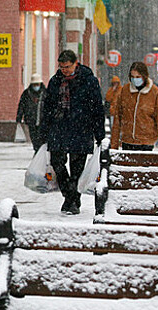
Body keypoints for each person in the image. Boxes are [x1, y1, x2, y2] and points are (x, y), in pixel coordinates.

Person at [40, 49, 105, 215]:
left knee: (77, 168)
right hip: (59, 128)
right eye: (62, 67)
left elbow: (97, 107)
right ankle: (70, 197)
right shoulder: (55, 81)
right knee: (57, 163)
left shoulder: (88, 81)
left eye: (67, 67)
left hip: (81, 128)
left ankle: (72, 201)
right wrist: (44, 130)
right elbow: (47, 107)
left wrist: (99, 132)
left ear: (76, 63)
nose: (64, 70)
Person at [110, 62, 158, 151]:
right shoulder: (125, 91)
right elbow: (117, 119)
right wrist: (114, 145)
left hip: (146, 142)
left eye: (138, 77)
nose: (135, 79)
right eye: (132, 77)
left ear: (144, 76)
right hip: (127, 141)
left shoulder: (154, 92)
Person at [16, 73, 46, 152]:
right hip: (31, 121)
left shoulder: (45, 93)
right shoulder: (26, 94)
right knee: (34, 139)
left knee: (42, 140)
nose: (36, 86)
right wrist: (19, 117)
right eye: (35, 84)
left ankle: (39, 154)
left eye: (37, 84)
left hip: (43, 121)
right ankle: (37, 152)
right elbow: (21, 105)